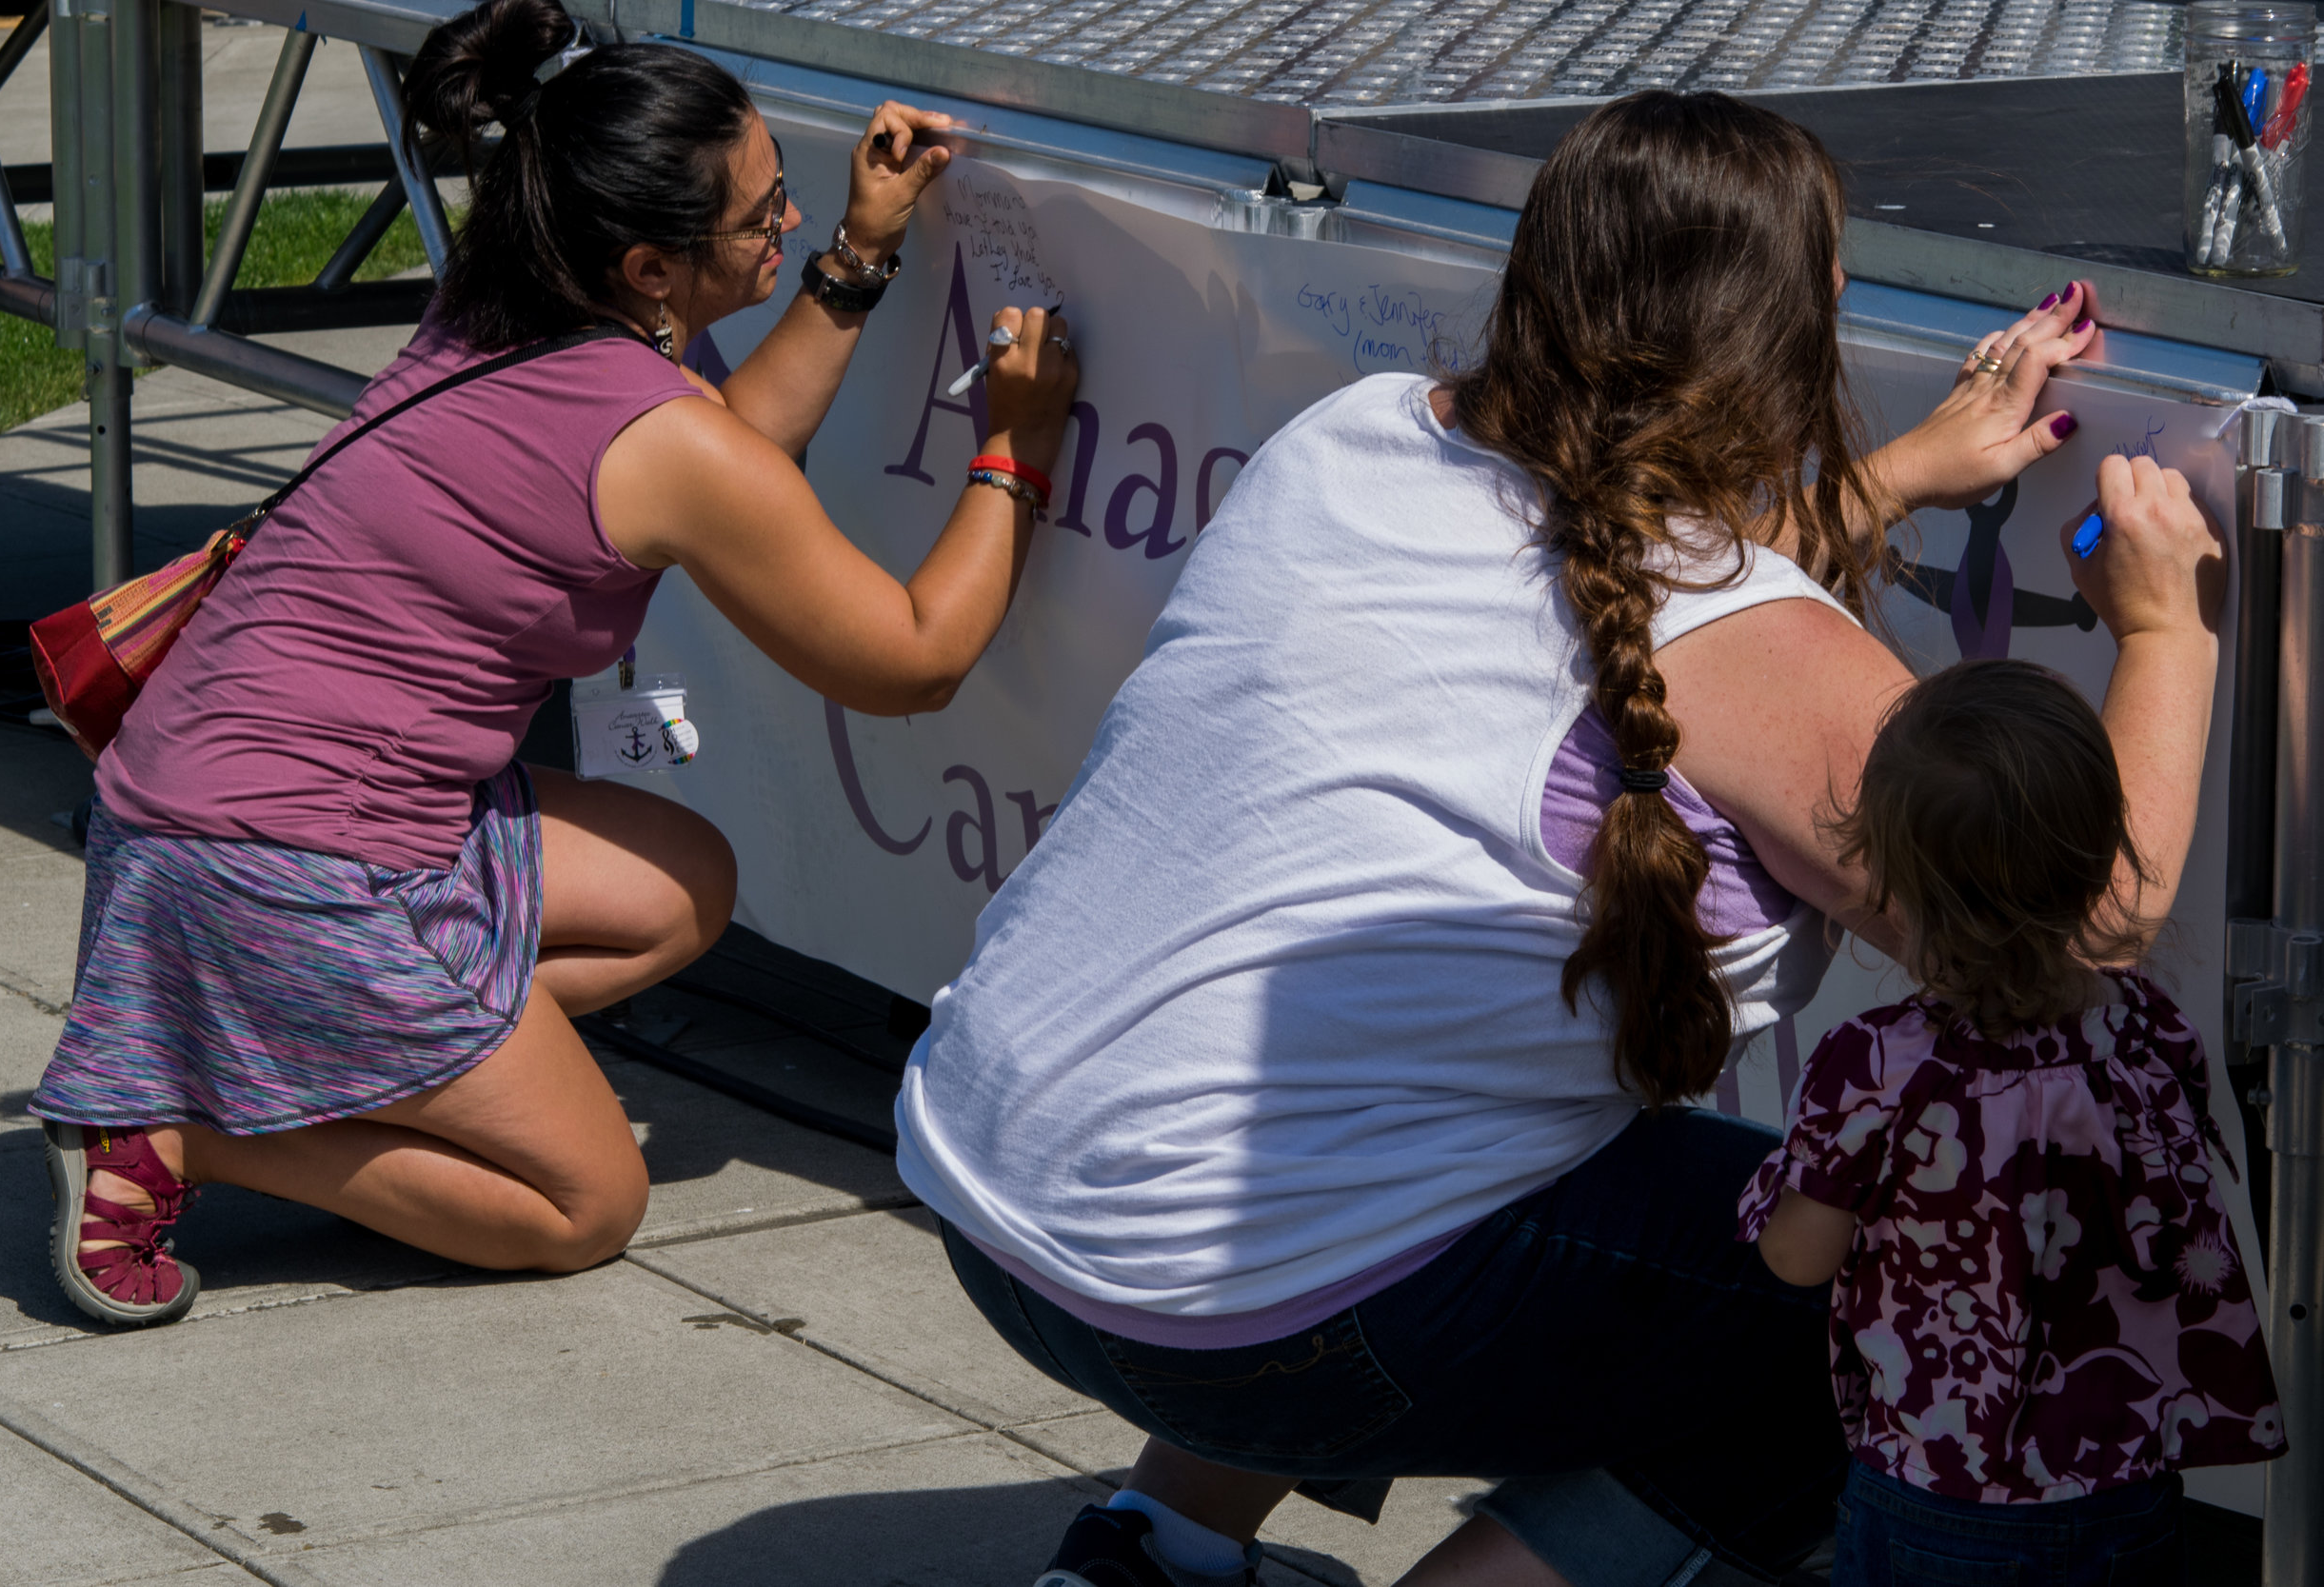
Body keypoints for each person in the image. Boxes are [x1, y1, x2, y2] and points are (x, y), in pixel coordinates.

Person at [891, 91, 2225, 1587]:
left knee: (1375, 1112)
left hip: (984, 1194)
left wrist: (1893, 477)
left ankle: (1153, 1552)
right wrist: (2165, 628)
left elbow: (1612, 570)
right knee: (1865, 1305)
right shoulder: (1736, 632)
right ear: (1786, 333)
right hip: (1243, 1311)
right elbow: (2085, 920)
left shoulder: (1356, 431)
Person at [31, 0, 1077, 1327]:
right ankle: (184, 1121)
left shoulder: (511, 295)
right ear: (649, 266)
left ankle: (346, 1047)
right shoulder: (654, 430)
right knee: (585, 1205)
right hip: (289, 866)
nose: (792, 227)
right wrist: (1018, 446)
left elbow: (723, 450)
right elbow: (911, 661)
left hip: (198, 802)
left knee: (682, 884)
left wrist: (864, 255)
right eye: (764, 218)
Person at [1740, 656, 2282, 1587]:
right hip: (2125, 1482)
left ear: (1890, 876)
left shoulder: (1877, 1062)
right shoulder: (2152, 1029)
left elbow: (1798, 1256)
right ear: (2100, 849)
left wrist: (1763, 1190)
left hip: (1937, 1486)